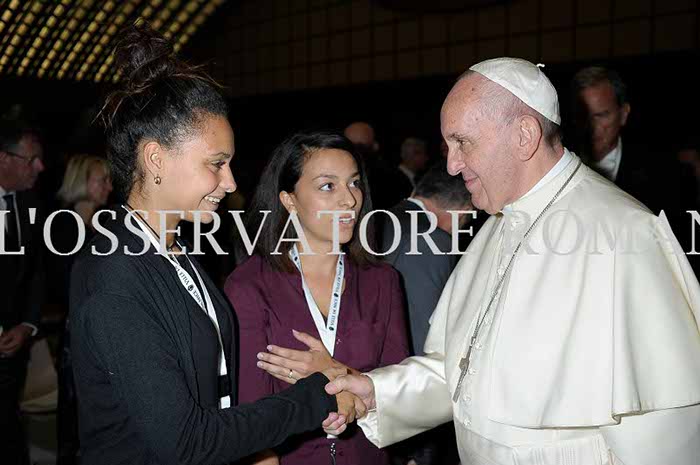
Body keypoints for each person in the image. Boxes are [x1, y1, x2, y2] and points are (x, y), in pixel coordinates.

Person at [326, 57, 700, 464]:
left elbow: (664, 426)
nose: (451, 164)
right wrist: (378, 391)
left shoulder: (624, 230)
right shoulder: (497, 224)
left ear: (524, 136)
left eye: (462, 142)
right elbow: (462, 370)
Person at [69, 24, 355, 465]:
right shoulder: (115, 272)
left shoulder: (175, 251)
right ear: (156, 159)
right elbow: (186, 442)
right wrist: (317, 397)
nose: (230, 182)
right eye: (216, 164)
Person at [225, 132, 409, 465]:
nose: (350, 200)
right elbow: (250, 420)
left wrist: (337, 372)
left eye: (354, 183)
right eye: (328, 186)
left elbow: (403, 397)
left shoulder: (382, 282)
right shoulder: (249, 286)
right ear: (289, 199)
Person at [380, 161, 471, 465]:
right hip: (407, 407)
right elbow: (427, 339)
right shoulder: (433, 241)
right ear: (459, 208)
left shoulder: (382, 218)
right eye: (467, 218)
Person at [48, 154, 112, 465]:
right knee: (73, 413)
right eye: (102, 180)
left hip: (100, 333)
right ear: (82, 182)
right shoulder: (60, 226)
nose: (109, 187)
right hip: (77, 334)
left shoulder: (106, 224)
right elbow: (60, 285)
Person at [0, 118, 46, 465]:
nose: (40, 167)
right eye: (31, 160)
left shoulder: (32, 203)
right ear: (4, 159)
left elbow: (36, 273)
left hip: (13, 348)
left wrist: (28, 325)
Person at [344, 122, 412, 210]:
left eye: (361, 147)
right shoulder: (397, 177)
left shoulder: (396, 178)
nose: (358, 154)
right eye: (352, 148)